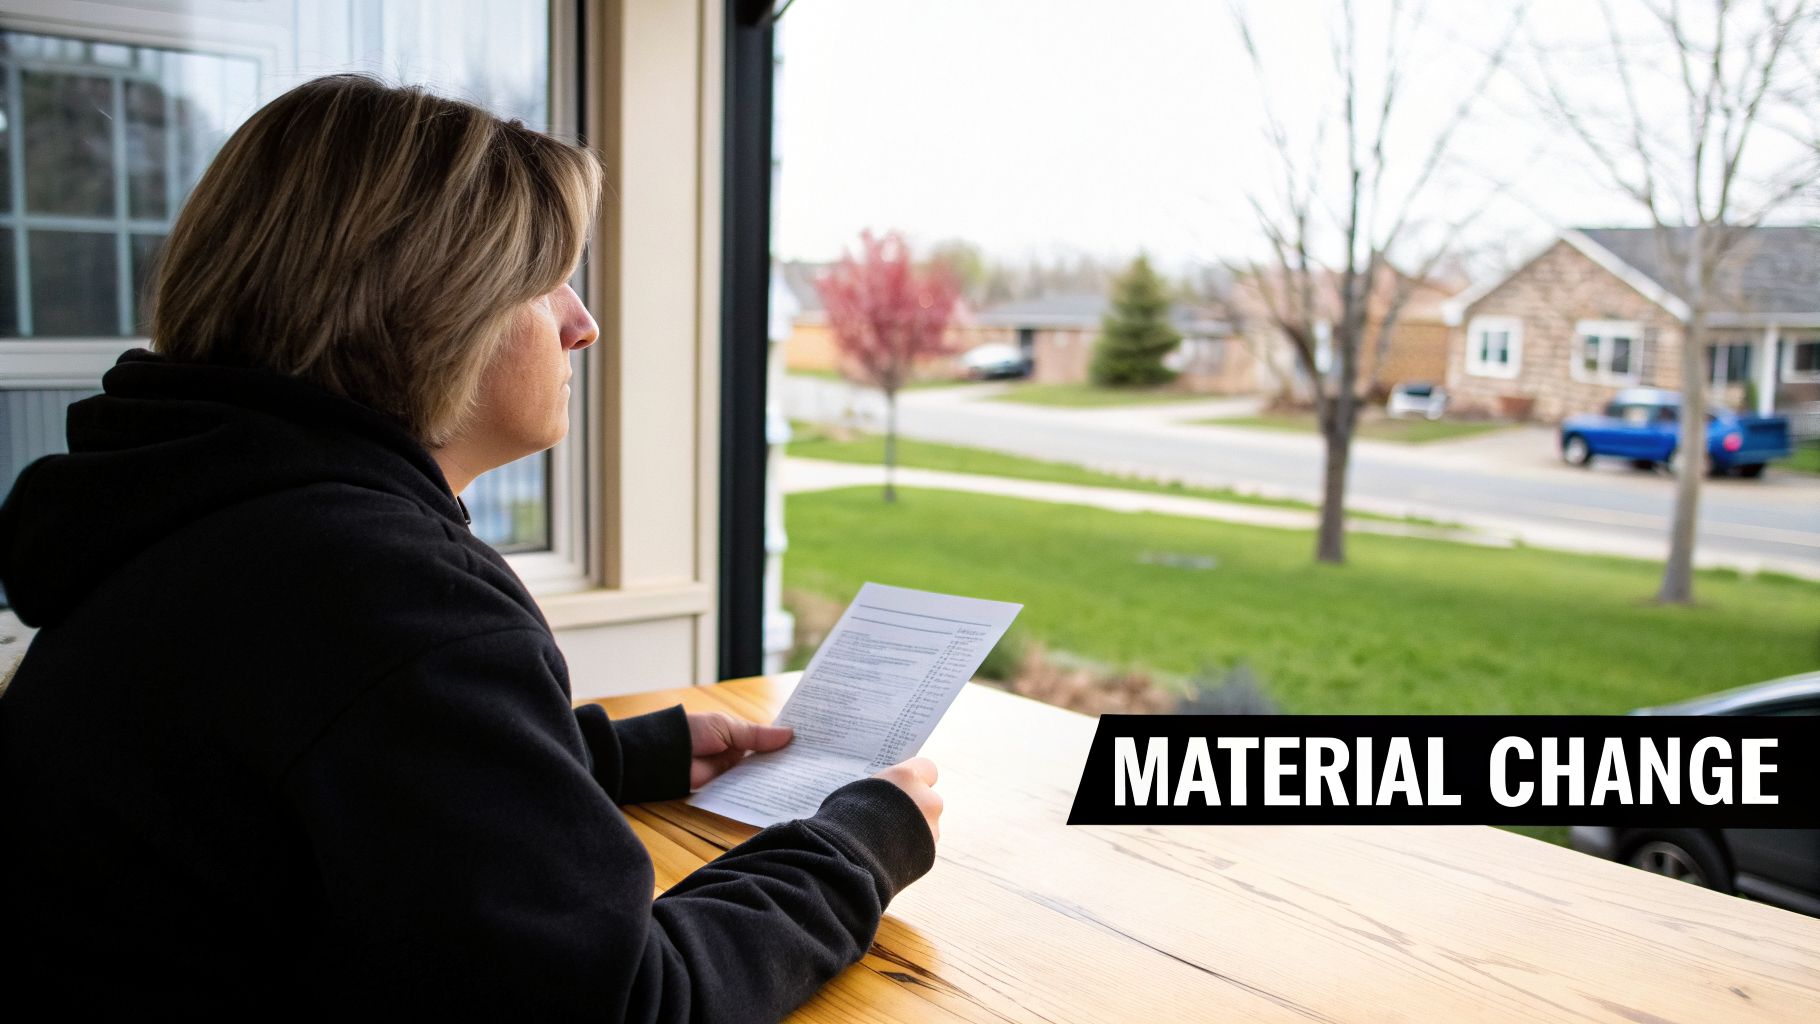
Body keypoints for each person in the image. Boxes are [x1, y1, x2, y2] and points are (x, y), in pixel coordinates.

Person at [0, 74, 942, 1019]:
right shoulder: (390, 596)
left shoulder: (209, 524)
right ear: (436, 311)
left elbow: (317, 763)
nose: (583, 325)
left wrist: (622, 756)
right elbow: (631, 1005)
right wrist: (858, 843)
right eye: (547, 284)